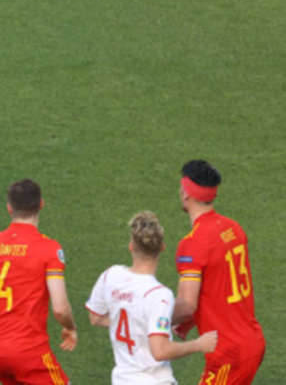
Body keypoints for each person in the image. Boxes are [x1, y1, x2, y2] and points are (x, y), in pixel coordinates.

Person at [86, 211, 217, 384]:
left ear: (131, 246)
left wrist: (137, 322)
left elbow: (95, 318)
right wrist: (199, 344)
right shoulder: (159, 295)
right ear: (162, 248)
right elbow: (160, 351)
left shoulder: (110, 276)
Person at [172, 160, 265, 384]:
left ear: (186, 193)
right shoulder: (234, 228)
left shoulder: (192, 244)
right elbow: (219, 284)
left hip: (228, 355)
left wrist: (150, 321)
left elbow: (186, 305)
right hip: (250, 340)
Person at [0, 179, 76, 385]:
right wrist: (71, 327)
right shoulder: (48, 249)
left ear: (9, 208)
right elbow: (60, 309)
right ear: (41, 204)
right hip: (29, 352)